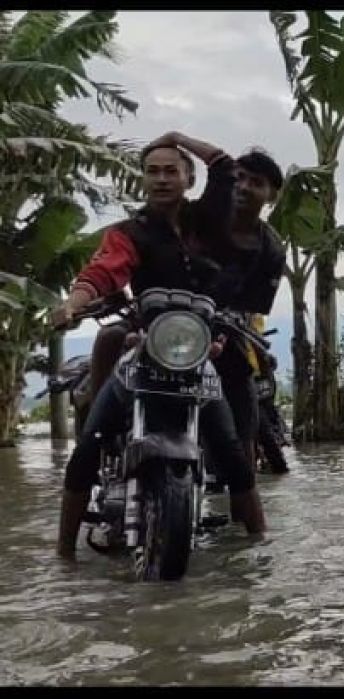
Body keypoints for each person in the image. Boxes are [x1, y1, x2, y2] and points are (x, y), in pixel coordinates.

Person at [52, 132, 268, 559]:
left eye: (172, 170)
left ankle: (260, 547)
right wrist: (72, 304)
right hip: (147, 347)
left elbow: (223, 165)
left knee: (233, 452)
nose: (161, 179)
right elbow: (102, 272)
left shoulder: (211, 223)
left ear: (189, 179)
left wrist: (174, 138)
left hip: (200, 352)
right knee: (90, 442)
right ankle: (63, 556)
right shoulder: (129, 233)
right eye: (152, 171)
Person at [211, 148, 286, 470]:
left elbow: (253, 308)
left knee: (243, 405)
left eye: (255, 182)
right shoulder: (199, 216)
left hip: (223, 330)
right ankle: (93, 441)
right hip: (169, 321)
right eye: (238, 177)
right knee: (113, 341)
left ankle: (246, 498)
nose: (243, 186)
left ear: (270, 196)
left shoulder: (270, 248)